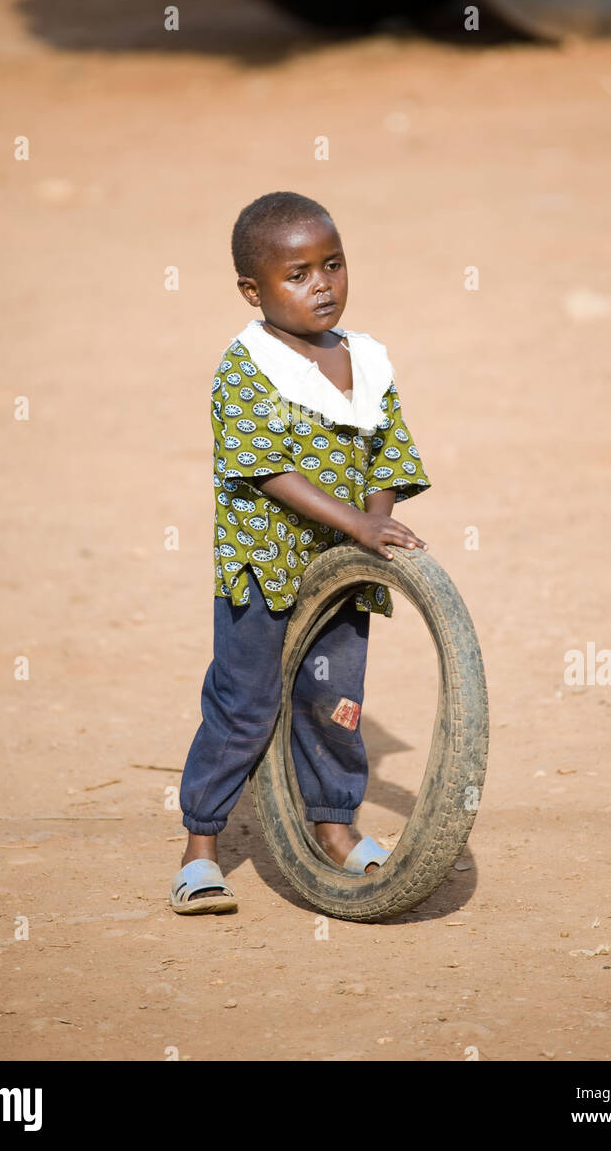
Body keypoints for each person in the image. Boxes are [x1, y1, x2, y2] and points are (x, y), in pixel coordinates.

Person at [170, 191, 432, 914]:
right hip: (267, 573)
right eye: (297, 274)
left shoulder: (366, 359)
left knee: (335, 705)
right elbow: (264, 466)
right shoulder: (246, 366)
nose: (322, 285)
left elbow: (389, 455)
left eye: (333, 265)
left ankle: (334, 829)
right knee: (245, 707)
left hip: (341, 575)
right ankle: (200, 849)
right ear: (253, 290)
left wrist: (373, 532)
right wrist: (357, 525)